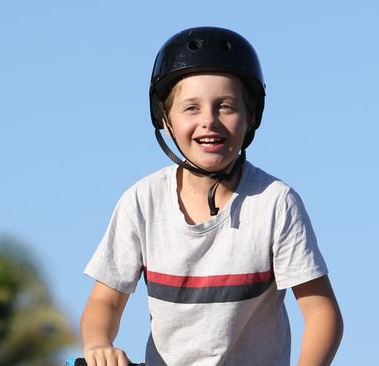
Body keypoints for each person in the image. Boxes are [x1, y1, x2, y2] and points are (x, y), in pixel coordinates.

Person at [81, 26, 343, 366]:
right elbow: (106, 302)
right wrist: (98, 343)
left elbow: (322, 313)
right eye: (191, 108)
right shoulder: (142, 202)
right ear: (165, 119)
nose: (209, 121)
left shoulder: (274, 203)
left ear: (251, 118)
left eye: (226, 107)